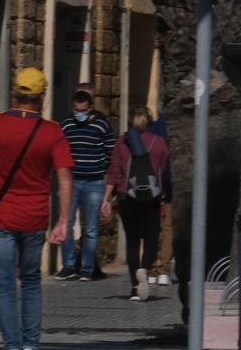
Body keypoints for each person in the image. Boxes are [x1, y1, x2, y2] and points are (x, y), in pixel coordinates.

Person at [0, 67, 73, 350]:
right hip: (35, 218)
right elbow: (65, 176)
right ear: (42, 96)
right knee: (31, 282)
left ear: (15, 92)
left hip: (0, 217)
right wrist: (63, 220)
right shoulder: (52, 131)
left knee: (4, 285)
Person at [102, 106, 171, 301]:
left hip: (127, 196)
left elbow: (113, 171)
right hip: (152, 196)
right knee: (151, 238)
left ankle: (134, 287)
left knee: (132, 242)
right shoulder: (159, 143)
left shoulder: (122, 142)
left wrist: (106, 198)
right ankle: (144, 269)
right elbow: (163, 168)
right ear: (149, 122)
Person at [54, 84, 115, 281]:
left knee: (90, 228)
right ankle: (69, 264)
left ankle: (87, 268)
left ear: (90, 107)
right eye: (76, 110)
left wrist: (102, 173)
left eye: (83, 110)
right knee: (67, 223)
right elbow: (59, 150)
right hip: (71, 182)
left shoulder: (101, 124)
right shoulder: (66, 125)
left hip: (94, 182)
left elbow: (110, 152)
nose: (79, 114)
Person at [148, 110, 174, 286]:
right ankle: (163, 269)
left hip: (148, 184)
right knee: (168, 227)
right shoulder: (180, 127)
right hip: (170, 183)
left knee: (151, 227)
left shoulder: (151, 130)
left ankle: (150, 268)